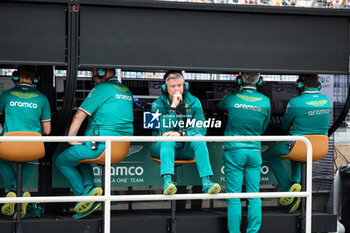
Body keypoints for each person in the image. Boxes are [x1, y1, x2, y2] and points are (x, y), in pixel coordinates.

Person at [55, 68, 133, 219]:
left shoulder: (101, 88)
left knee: (62, 161)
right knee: (79, 156)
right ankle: (89, 187)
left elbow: (79, 115)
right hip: (120, 149)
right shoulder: (126, 91)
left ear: (104, 73)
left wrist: (70, 138)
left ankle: (84, 198)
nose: (94, 79)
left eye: (95, 75)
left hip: (99, 146)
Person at [267, 74, 331, 214]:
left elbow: (284, 126)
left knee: (272, 156)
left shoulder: (295, 102)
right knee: (297, 156)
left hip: (299, 146)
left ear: (301, 84)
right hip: (320, 148)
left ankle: (286, 189)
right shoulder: (327, 101)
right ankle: (295, 185)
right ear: (318, 84)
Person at [150, 71, 221, 195]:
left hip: (184, 147)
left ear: (185, 86)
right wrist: (173, 107)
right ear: (165, 88)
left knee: (199, 138)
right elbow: (164, 132)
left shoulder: (194, 102)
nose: (177, 89)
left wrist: (182, 134)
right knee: (167, 139)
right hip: (161, 148)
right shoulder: (156, 105)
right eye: (172, 86)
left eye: (179, 85)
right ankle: (168, 182)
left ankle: (207, 183)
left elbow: (201, 129)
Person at [218, 72, 271, 233]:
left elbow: (220, 107)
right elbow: (263, 127)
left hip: (235, 150)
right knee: (254, 195)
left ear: (239, 80)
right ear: (259, 81)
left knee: (234, 197)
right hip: (254, 150)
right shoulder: (266, 101)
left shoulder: (231, 97)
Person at [0, 65, 51, 218]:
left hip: (9, 146)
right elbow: (47, 130)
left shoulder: (6, 95)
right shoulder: (42, 98)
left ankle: (15, 192)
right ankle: (17, 191)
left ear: (16, 76)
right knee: (30, 160)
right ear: (35, 79)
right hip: (32, 147)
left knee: (2, 160)